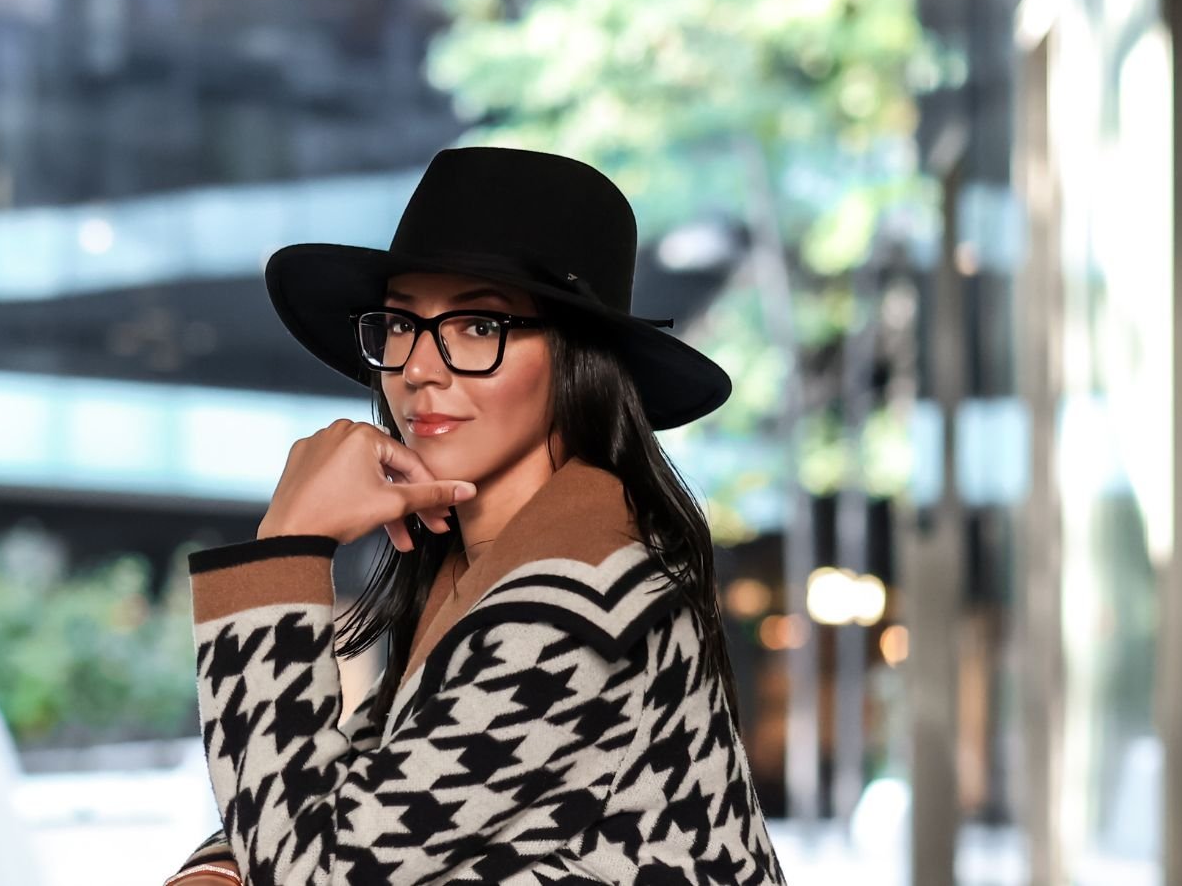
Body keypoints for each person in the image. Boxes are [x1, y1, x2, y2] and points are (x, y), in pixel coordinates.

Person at [162, 147, 788, 885]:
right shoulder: (490, 574)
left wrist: (289, 543)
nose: (418, 368)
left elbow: (312, 866)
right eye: (400, 322)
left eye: (480, 325)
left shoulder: (581, 609)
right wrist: (213, 869)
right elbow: (343, 791)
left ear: (576, 357)